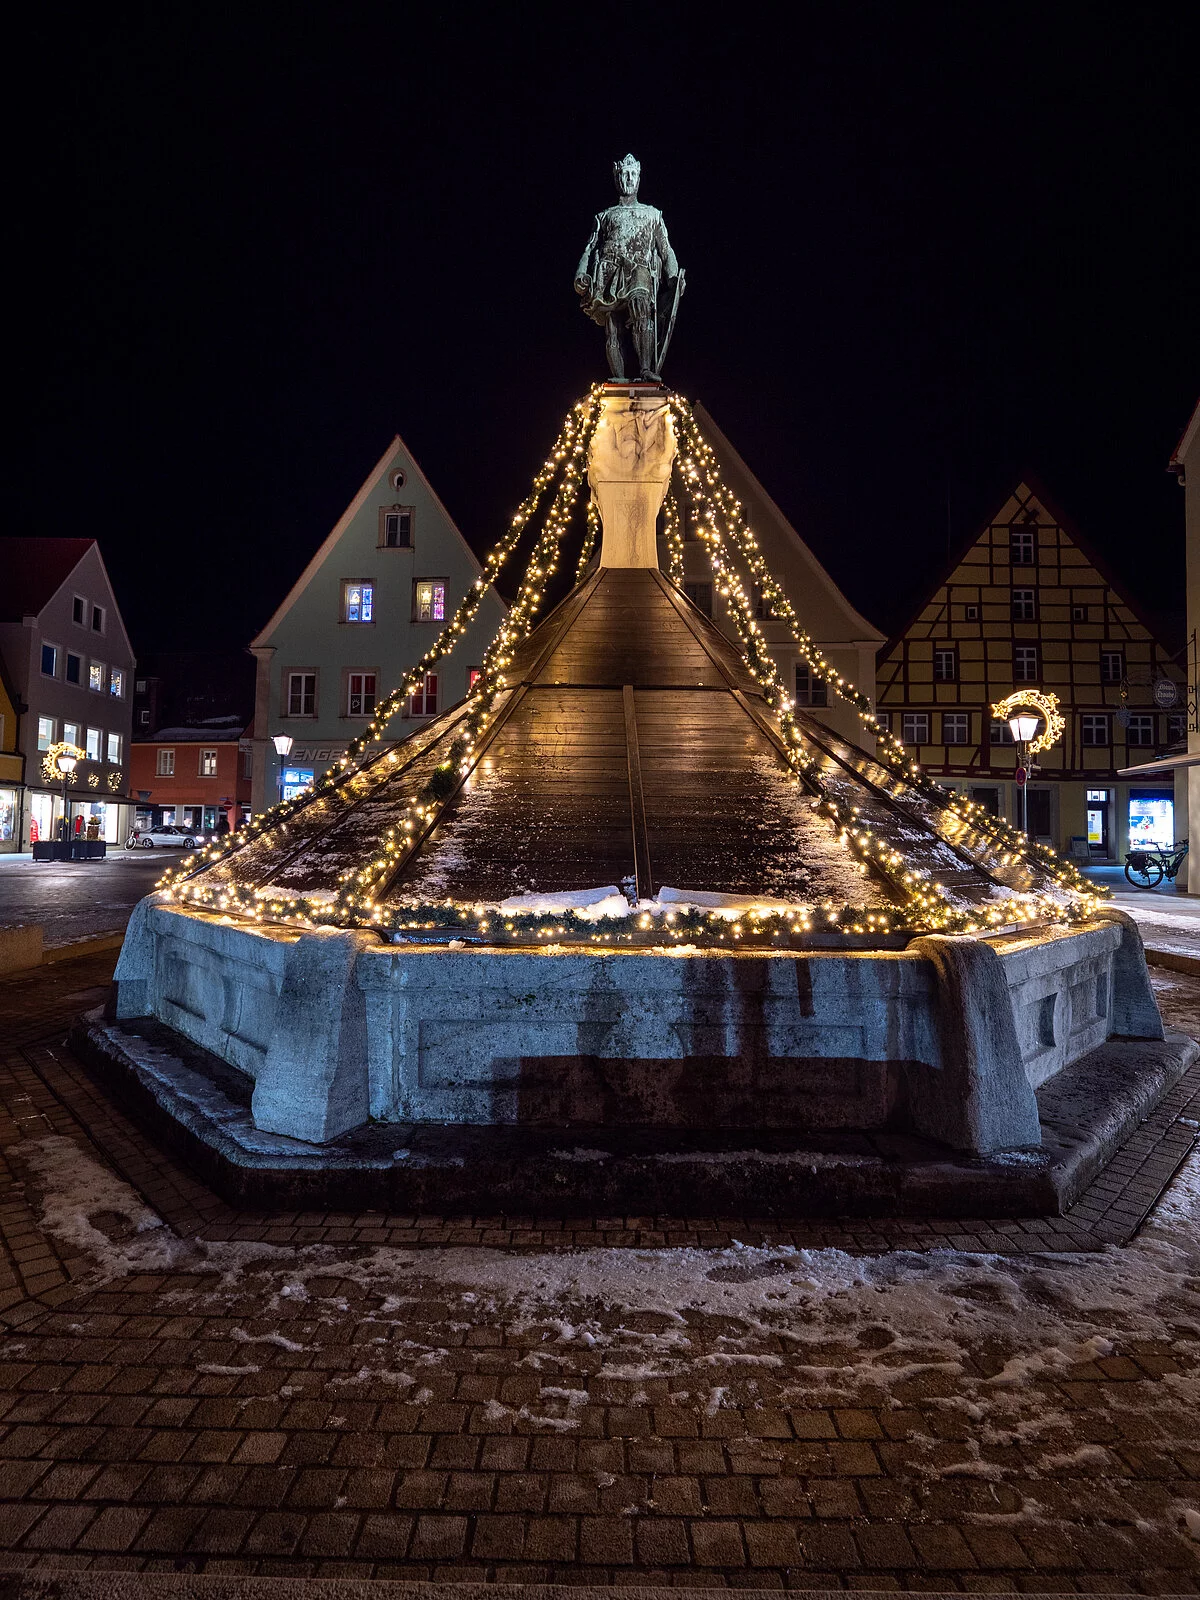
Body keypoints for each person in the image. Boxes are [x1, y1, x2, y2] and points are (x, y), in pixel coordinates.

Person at [575, 154, 683, 382]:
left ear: (639, 177)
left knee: (641, 305)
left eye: (633, 174)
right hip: (609, 270)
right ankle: (619, 378)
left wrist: (673, 277)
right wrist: (581, 273)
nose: (629, 179)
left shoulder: (652, 214)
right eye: (624, 174)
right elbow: (589, 247)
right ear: (617, 178)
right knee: (613, 325)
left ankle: (645, 369)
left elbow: (666, 250)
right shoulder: (604, 216)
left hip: (639, 269)